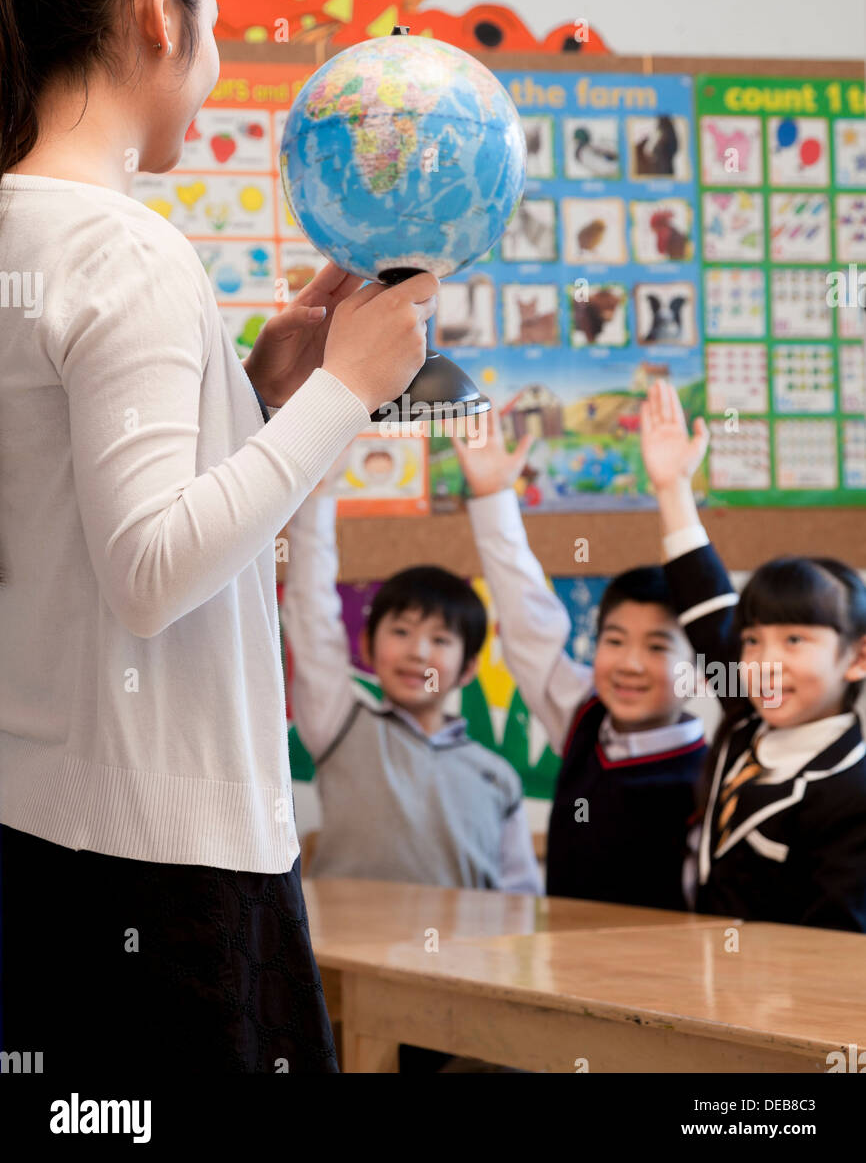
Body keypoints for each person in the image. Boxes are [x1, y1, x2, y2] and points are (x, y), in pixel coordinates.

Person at [0, 0, 439, 1074]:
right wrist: (350, 386)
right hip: (161, 854)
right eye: (214, 26)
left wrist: (258, 395)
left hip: (44, 833)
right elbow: (147, 570)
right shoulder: (123, 247)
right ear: (158, 12)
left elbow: (71, 527)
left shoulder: (24, 227)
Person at [452, 407, 706, 912]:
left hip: (663, 986)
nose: (630, 664)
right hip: (563, 978)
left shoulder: (708, 774)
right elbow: (529, 624)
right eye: (614, 640)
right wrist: (493, 497)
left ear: (700, 664)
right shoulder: (583, 716)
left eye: (657, 647)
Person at [640, 378, 866, 932]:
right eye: (753, 640)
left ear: (857, 659)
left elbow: (838, 946)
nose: (766, 660)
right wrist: (672, 489)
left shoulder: (853, 793)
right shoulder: (751, 706)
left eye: (795, 640)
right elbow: (706, 601)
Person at [281, 490, 541, 894]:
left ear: (469, 667)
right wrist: (318, 496)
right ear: (367, 647)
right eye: (401, 632)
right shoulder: (340, 728)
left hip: (466, 955)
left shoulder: (497, 777)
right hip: (345, 952)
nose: (417, 652)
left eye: (440, 639)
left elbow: (522, 899)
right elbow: (309, 611)